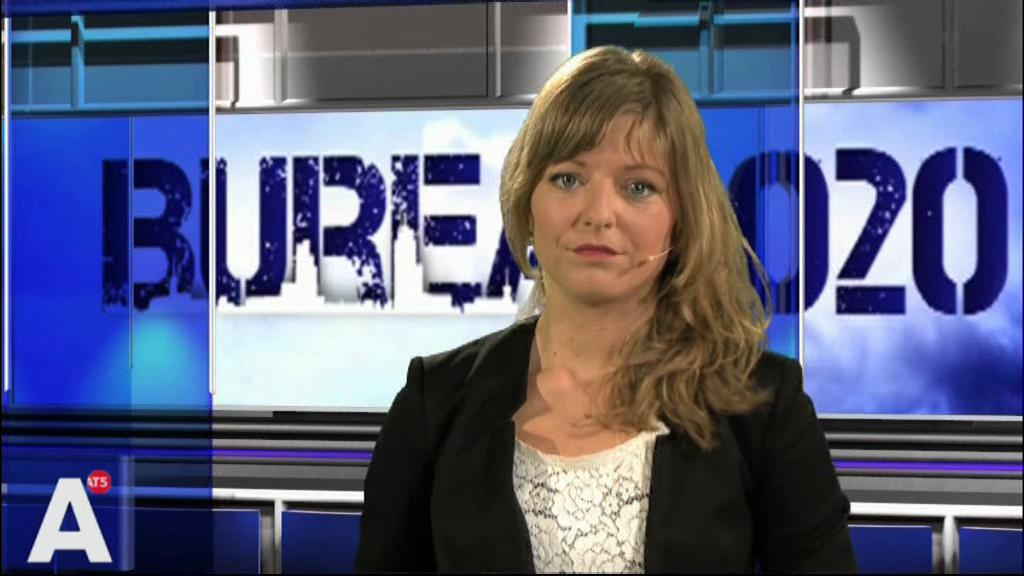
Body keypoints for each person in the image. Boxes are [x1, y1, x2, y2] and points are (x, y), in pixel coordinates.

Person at [355, 45, 857, 573]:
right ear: (527, 200)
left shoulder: (763, 407)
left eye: (638, 187)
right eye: (568, 179)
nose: (598, 214)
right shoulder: (435, 405)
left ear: (682, 216)